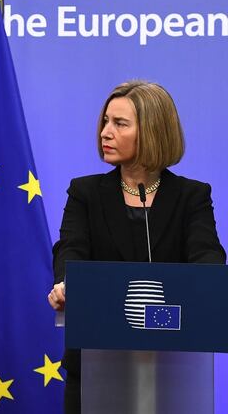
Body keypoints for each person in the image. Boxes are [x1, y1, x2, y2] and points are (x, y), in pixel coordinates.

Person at [46, 80, 225, 413]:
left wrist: (210, 287)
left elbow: (207, 256)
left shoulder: (192, 197)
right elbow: (70, 248)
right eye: (105, 121)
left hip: (173, 367)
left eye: (120, 124)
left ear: (153, 131)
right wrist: (66, 283)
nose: (105, 132)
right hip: (94, 367)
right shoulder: (85, 193)